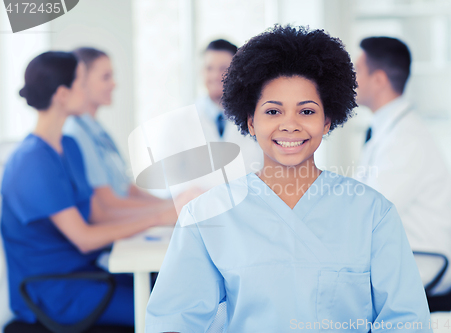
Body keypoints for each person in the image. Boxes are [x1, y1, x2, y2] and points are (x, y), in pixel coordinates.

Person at [146, 26, 432, 332]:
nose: (290, 125)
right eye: (273, 112)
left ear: (327, 121)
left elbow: (406, 322)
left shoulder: (373, 214)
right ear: (251, 122)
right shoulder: (205, 216)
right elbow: (174, 320)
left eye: (306, 111)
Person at [1, 51, 174, 326]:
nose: (87, 91)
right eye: (81, 84)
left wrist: (169, 212)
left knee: (175, 291)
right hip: (57, 291)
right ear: (61, 94)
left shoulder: (69, 146)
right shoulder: (31, 161)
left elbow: (99, 214)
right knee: (170, 315)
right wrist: (158, 218)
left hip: (88, 274)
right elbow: (84, 237)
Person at [353, 36, 451, 296]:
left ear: (378, 80)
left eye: (356, 72)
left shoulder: (405, 139)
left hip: (422, 260)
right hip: (401, 252)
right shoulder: (390, 129)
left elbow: (370, 212)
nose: (350, 81)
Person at [63, 47, 182, 219]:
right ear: (82, 81)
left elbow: (127, 189)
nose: (114, 84)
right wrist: (168, 211)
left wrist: (174, 204)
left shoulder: (98, 130)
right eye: (106, 77)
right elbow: (107, 202)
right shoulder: (76, 133)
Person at [195, 39, 263, 174]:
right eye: (209, 68)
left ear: (237, 72)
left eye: (223, 69)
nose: (215, 75)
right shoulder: (183, 119)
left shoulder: (256, 117)